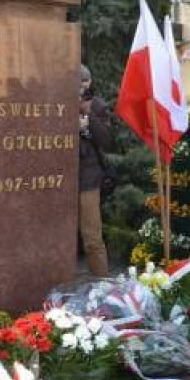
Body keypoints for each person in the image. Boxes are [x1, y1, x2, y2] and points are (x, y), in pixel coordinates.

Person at [78, 64, 112, 277]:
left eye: (84, 84)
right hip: (60, 178)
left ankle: (102, 284)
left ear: (89, 83)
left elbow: (106, 140)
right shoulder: (56, 102)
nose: (81, 90)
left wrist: (88, 118)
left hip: (87, 179)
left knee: (92, 237)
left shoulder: (97, 105)